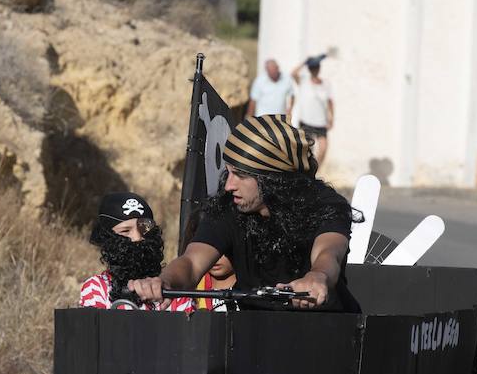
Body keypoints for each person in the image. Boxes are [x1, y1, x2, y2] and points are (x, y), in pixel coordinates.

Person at [127, 115, 358, 311]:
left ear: (273, 179)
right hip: (252, 337)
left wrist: (317, 277)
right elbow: (190, 262)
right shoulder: (229, 207)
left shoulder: (325, 205)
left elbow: (329, 253)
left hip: (328, 333)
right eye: (228, 173)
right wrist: (163, 281)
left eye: (241, 175)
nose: (229, 185)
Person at [79, 192, 194, 312]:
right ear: (107, 238)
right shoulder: (97, 289)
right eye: (125, 231)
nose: (138, 237)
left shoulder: (172, 290)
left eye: (145, 229)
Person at [290, 54, 334, 168]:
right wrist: (304, 62)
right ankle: (307, 172)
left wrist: (331, 118)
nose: (315, 70)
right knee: (307, 150)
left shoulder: (326, 84)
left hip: (321, 121)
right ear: (310, 70)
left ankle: (315, 170)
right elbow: (293, 73)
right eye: (313, 68)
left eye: (316, 68)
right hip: (307, 121)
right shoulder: (304, 81)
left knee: (323, 148)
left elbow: (330, 102)